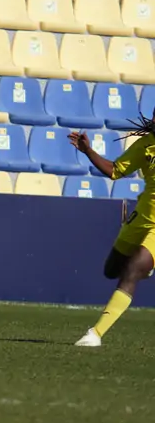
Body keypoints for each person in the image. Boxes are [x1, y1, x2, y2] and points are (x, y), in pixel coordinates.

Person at [69, 122, 155, 346]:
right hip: (141, 217)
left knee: (133, 269)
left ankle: (95, 334)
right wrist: (88, 151)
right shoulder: (145, 146)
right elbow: (115, 171)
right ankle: (145, 263)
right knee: (112, 270)